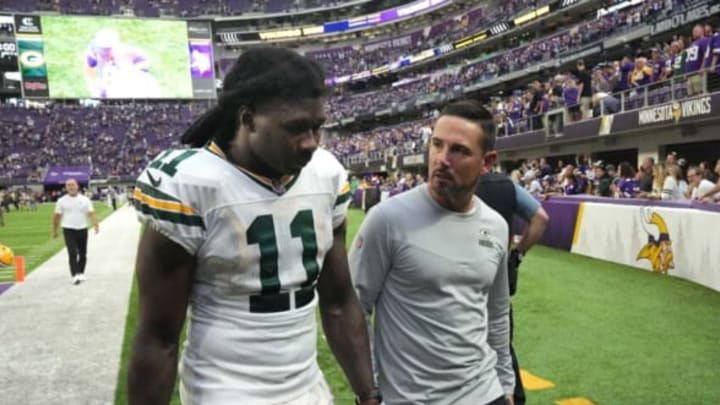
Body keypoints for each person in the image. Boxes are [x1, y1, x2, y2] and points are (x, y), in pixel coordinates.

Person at [127, 48, 379, 405]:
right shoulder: (193, 183)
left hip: (308, 386)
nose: (311, 142)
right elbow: (159, 337)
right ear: (247, 119)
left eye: (317, 127)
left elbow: (338, 301)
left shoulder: (324, 173)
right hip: (222, 389)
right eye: (295, 128)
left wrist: (368, 394)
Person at [350, 100, 515, 405]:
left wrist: (506, 384)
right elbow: (354, 308)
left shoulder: (496, 226)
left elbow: (497, 310)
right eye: (437, 145)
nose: (441, 159)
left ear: (487, 161)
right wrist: (369, 391)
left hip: (486, 393)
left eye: (459, 150)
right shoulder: (387, 219)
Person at [475, 169, 549, 405]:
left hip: (463, 277)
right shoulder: (506, 186)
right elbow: (541, 218)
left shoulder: (448, 184)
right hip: (498, 270)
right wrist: (517, 255)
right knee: (501, 340)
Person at [52, 178, 99, 285]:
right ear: (66, 187)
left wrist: (95, 225)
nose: (71, 187)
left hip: (82, 228)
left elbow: (91, 213)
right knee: (72, 252)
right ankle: (75, 275)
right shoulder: (61, 201)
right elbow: (56, 216)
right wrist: (55, 230)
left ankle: (81, 272)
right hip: (68, 229)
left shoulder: (85, 199)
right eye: (68, 185)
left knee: (83, 253)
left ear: (77, 186)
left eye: (72, 185)